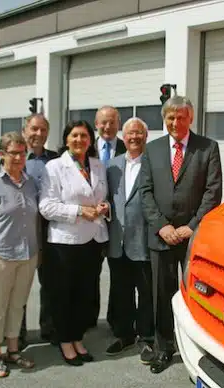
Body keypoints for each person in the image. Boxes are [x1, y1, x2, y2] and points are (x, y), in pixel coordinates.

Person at [139, 95, 223, 374]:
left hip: (192, 237)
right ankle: (164, 348)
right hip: (160, 236)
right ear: (165, 119)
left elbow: (213, 192)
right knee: (161, 296)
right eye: (171, 118)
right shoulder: (152, 150)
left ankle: (196, 346)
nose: (176, 122)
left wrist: (192, 226)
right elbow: (146, 192)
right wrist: (161, 226)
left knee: (195, 294)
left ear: (191, 118)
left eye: (181, 117)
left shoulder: (208, 148)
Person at [39, 120, 110, 366]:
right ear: (66, 139)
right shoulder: (54, 167)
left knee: (84, 294)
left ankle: (78, 338)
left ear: (91, 140)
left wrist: (104, 207)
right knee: (63, 294)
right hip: (65, 242)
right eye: (74, 135)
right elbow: (46, 207)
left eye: (84, 136)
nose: (79, 140)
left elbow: (104, 196)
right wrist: (80, 211)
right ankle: (65, 341)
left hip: (92, 240)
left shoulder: (98, 166)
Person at [0, 131, 40, 378]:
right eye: (13, 153)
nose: (19, 158)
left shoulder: (31, 182)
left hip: (27, 255)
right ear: (2, 154)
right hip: (1, 256)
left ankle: (13, 351)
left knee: (17, 305)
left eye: (23, 153)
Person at [104, 117, 154, 363]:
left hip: (143, 240)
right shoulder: (112, 165)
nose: (134, 137)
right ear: (123, 137)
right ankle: (124, 334)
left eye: (139, 133)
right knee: (121, 291)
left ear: (146, 136)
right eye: (130, 134)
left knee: (145, 292)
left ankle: (146, 338)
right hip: (118, 241)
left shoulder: (154, 163)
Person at [22, 113, 59, 343]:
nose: (38, 134)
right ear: (25, 130)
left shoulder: (56, 159)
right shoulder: (14, 156)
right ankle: (18, 332)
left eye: (43, 130)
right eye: (34, 129)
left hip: (49, 229)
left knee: (50, 282)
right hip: (22, 229)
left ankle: (50, 327)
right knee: (21, 283)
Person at [94, 105, 126, 329]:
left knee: (118, 276)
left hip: (118, 223)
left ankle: (117, 320)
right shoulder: (86, 148)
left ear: (118, 124)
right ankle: (87, 319)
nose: (107, 126)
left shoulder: (128, 148)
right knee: (89, 274)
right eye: (103, 122)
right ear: (96, 124)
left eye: (112, 122)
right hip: (91, 221)